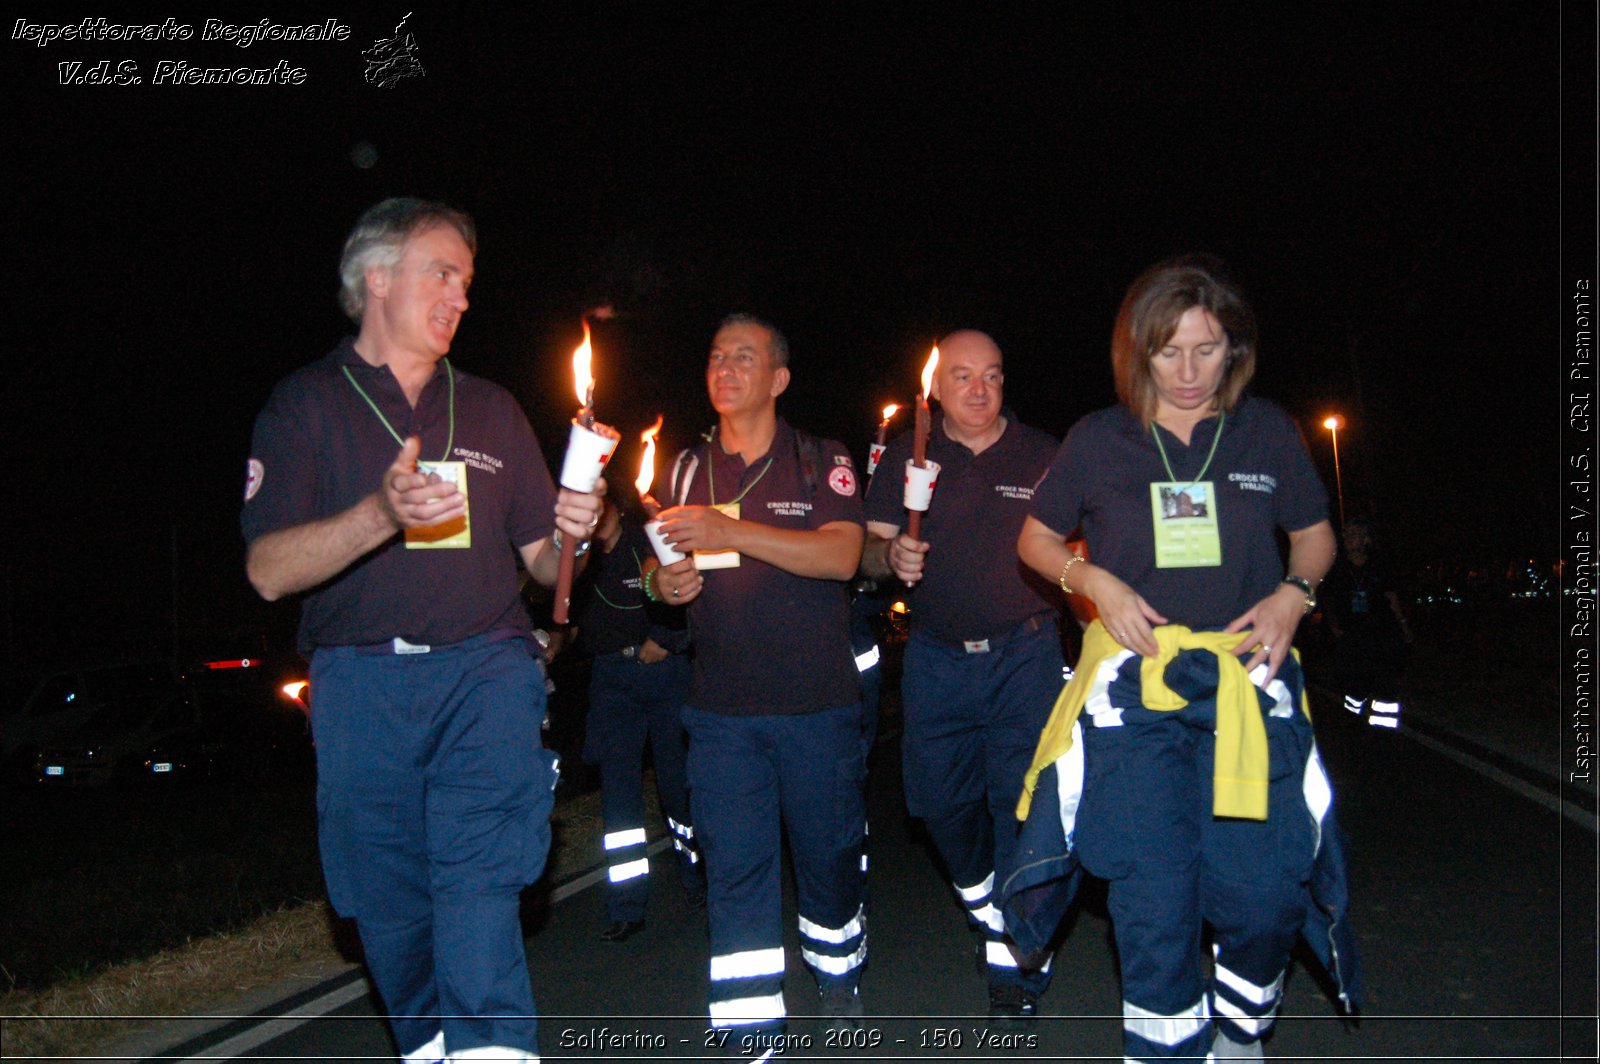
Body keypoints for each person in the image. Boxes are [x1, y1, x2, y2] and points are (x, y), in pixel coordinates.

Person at [241, 198, 604, 1064]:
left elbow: (549, 570)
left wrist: (576, 531)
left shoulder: (488, 408)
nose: (461, 296)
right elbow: (267, 571)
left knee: (478, 887)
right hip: (360, 685)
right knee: (389, 905)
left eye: (468, 282)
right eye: (441, 273)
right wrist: (379, 512)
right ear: (376, 278)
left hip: (486, 671)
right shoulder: (303, 407)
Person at [1013, 255, 1354, 1061]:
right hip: (1136, 696)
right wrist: (1092, 579)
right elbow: (1035, 537)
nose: (1191, 370)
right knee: (1151, 901)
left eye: (1208, 349)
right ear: (1139, 353)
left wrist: (1293, 596)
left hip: (1246, 682)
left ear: (1233, 350)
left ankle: (1242, 1028)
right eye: (1170, 351)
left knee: (1266, 894)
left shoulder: (1267, 429)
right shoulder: (1099, 439)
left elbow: (1314, 534)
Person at [648, 314, 868, 1056]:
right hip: (720, 713)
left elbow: (842, 556)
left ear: (778, 378)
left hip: (817, 706)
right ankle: (749, 1033)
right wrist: (664, 581)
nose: (724, 367)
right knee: (735, 870)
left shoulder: (820, 460)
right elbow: (656, 567)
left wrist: (731, 531)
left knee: (827, 856)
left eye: (744, 357)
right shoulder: (683, 470)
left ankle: (837, 965)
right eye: (715, 355)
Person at [858, 329, 1064, 1020]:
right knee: (938, 805)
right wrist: (893, 560)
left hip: (1026, 652)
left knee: (1020, 800)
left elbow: (1082, 545)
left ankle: (1012, 961)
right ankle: (988, 906)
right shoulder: (908, 452)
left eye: (994, 376)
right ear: (936, 389)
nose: (980, 390)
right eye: (963, 377)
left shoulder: (1043, 454)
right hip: (938, 654)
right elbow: (868, 548)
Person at [572, 491, 702, 942]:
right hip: (612, 681)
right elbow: (564, 612)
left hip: (664, 673)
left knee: (677, 786)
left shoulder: (643, 540)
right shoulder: (577, 557)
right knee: (619, 800)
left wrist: (668, 638)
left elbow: (686, 590)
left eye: (597, 497)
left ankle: (697, 875)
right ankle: (627, 906)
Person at [1322, 517, 1412, 728]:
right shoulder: (1338, 566)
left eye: (1353, 534)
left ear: (1365, 540)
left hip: (1382, 630)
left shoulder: (1379, 564)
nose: (1347, 539)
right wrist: (1334, 626)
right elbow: (1328, 599)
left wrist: (1403, 624)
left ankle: (1385, 729)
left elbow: (1391, 596)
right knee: (1356, 682)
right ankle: (1352, 722)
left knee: (1385, 680)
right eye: (1345, 534)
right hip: (1352, 633)